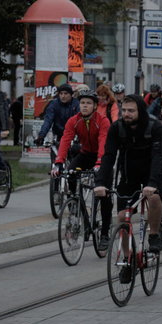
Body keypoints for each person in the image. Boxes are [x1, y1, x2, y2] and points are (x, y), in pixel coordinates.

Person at [94, 95, 162, 283]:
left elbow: (159, 157)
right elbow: (108, 156)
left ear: (140, 111)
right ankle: (128, 259)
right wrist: (100, 183)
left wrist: (152, 183)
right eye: (124, 110)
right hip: (128, 175)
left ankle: (155, 234)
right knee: (122, 217)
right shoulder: (117, 128)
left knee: (155, 199)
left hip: (152, 173)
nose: (126, 114)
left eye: (131, 111)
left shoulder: (154, 126)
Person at [53, 90, 112, 247]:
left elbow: (103, 141)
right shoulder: (74, 120)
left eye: (88, 103)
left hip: (103, 156)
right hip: (85, 154)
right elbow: (66, 139)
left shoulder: (103, 120)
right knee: (70, 173)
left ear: (94, 106)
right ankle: (75, 204)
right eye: (82, 103)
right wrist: (59, 162)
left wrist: (99, 162)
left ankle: (105, 233)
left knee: (104, 193)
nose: (85, 106)